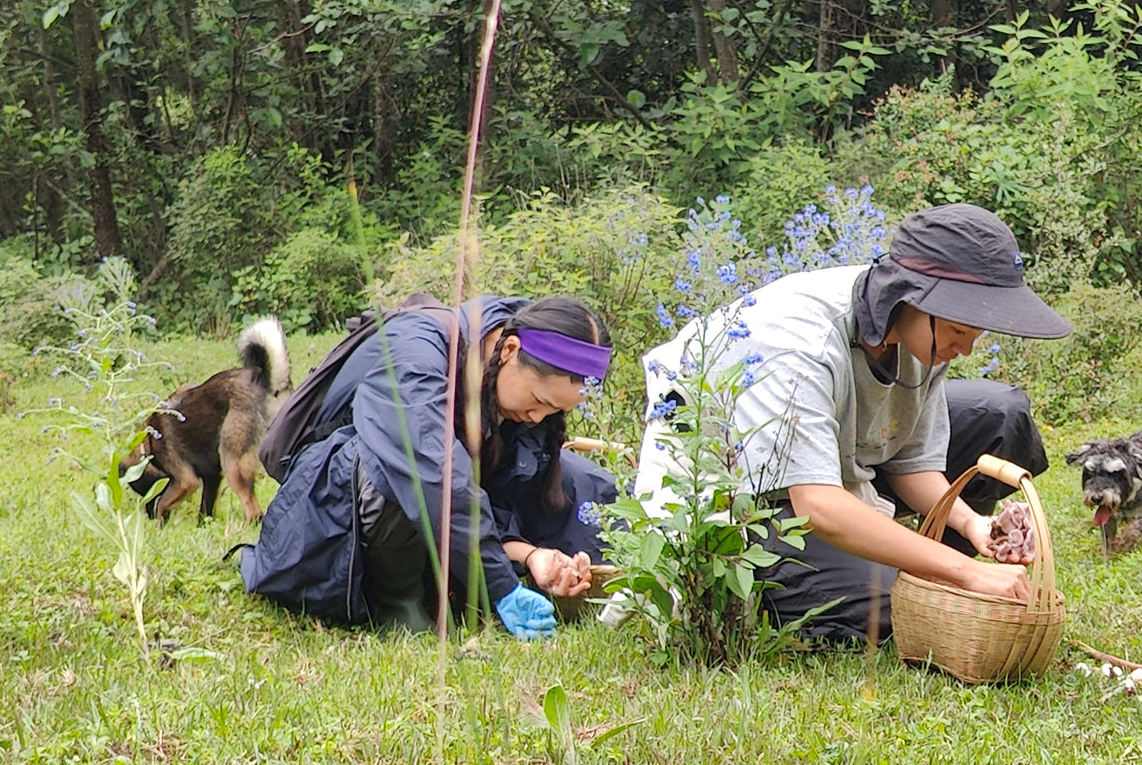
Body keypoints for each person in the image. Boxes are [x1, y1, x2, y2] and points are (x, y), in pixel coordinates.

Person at [628, 203, 1069, 643]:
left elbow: (912, 463)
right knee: (892, 607)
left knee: (998, 414)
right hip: (744, 498)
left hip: (836, 463)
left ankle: (919, 559)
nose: (967, 349)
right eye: (959, 331)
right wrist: (966, 573)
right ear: (911, 296)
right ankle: (892, 572)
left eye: (976, 334)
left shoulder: (922, 334)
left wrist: (971, 524)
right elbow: (817, 505)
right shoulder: (798, 344)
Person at [239, 294, 616, 639]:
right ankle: (398, 599)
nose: (537, 417)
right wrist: (501, 584)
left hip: (435, 497)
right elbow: (435, 472)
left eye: (554, 411)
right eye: (539, 400)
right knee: (404, 459)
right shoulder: (415, 350)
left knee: (584, 481)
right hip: (329, 501)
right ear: (511, 350)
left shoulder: (508, 379)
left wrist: (533, 555)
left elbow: (497, 482)